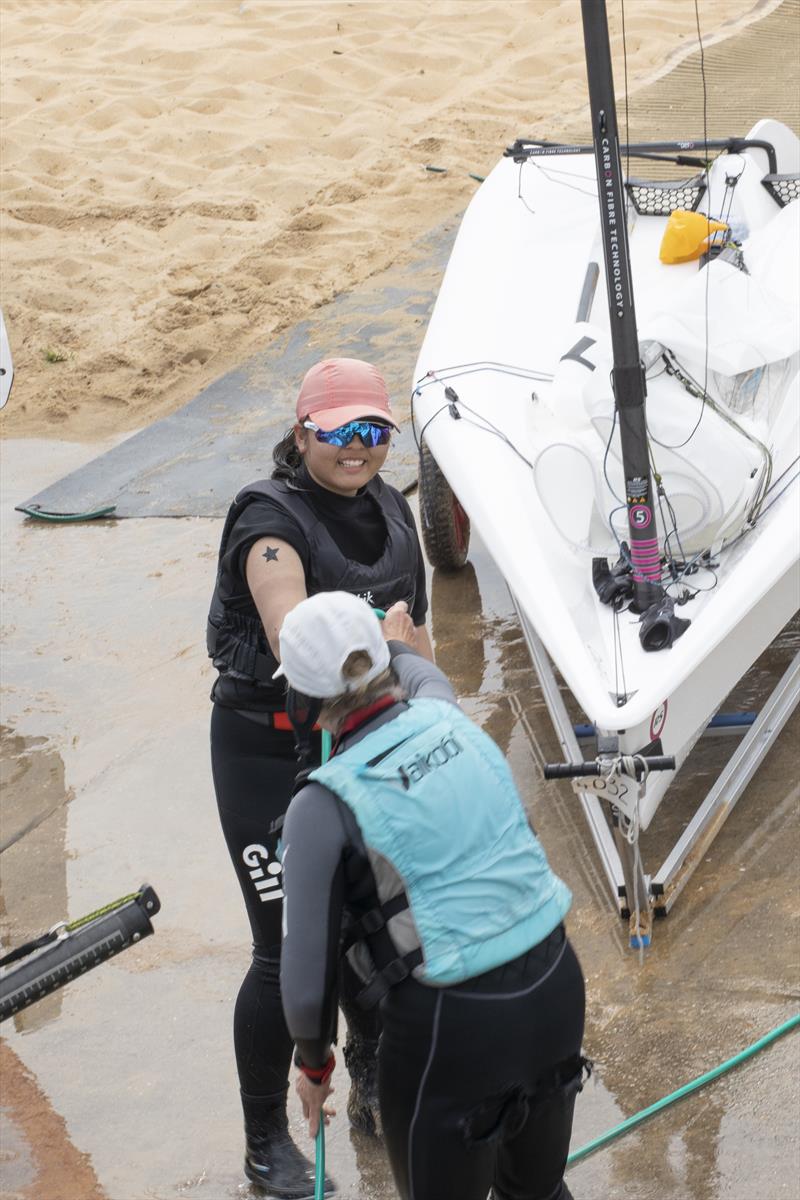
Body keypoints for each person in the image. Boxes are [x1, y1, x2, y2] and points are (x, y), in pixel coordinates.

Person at [206, 358, 433, 1197]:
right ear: (302, 433)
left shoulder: (392, 507)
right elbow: (287, 626)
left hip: (364, 743)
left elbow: (420, 649)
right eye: (338, 432)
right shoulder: (270, 520)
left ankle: (375, 1080)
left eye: (375, 431)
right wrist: (384, 643)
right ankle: (267, 1139)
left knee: (379, 927)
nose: (359, 448)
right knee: (285, 953)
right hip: (270, 759)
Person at [278, 591, 589, 1200]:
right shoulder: (445, 710)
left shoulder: (320, 807)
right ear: (384, 664)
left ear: (299, 703)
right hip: (554, 983)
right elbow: (416, 668)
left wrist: (313, 1067)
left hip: (454, 1025)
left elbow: (307, 983)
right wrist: (385, 641)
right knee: (540, 1193)